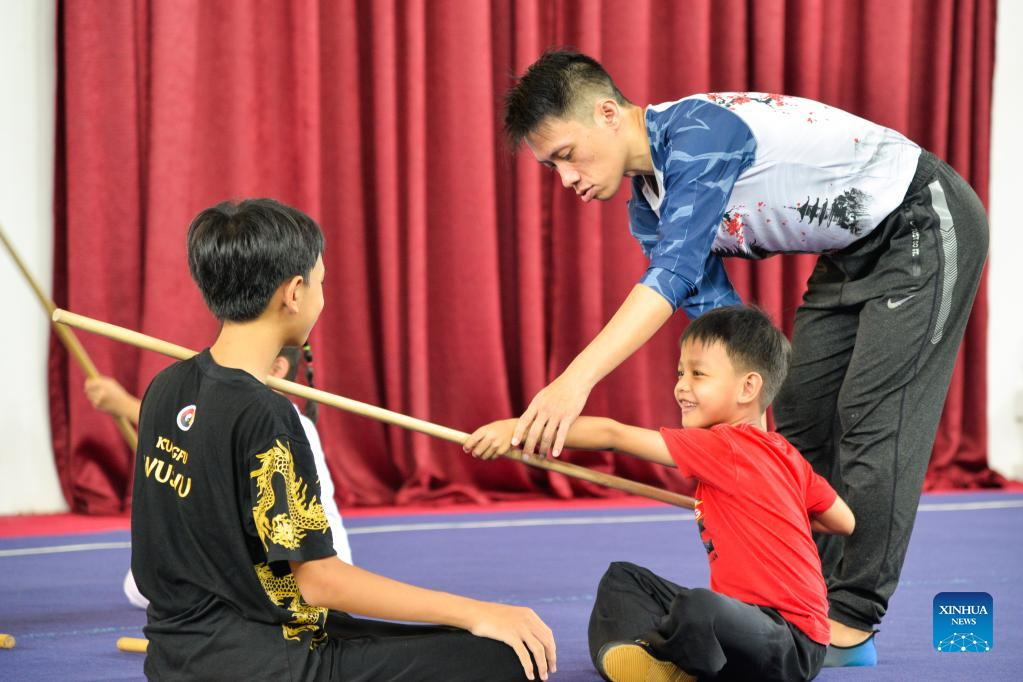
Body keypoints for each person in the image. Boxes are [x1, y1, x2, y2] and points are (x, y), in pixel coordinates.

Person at [501, 49, 988, 664]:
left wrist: (573, 382)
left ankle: (852, 615)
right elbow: (721, 328)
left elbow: (673, 273)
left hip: (920, 218)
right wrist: (737, 456)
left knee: (872, 420)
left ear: (606, 113)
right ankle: (799, 596)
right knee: (799, 418)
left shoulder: (698, 132)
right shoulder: (646, 209)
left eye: (566, 155)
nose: (566, 179)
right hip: (847, 255)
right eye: (551, 168)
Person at [128, 198, 555, 681]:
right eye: (321, 283)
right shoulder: (267, 415)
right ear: (293, 292)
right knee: (505, 657)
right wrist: (476, 610)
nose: (322, 298)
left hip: (173, 661)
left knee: (446, 638)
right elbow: (318, 581)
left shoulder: (163, 388)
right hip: (268, 664)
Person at [466, 305, 854, 681]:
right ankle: (650, 664)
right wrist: (778, 510)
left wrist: (516, 430)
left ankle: (672, 663)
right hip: (754, 627)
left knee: (697, 607)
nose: (682, 386)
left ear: (748, 387)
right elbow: (844, 521)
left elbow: (613, 435)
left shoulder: (726, 445)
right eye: (680, 372)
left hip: (789, 643)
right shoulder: (787, 456)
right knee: (624, 580)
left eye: (698, 374)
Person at [86, 346, 354, 610]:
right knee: (138, 583)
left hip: (308, 563)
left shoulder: (282, 422)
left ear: (276, 369)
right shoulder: (235, 412)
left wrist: (121, 404)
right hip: (257, 559)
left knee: (160, 585)